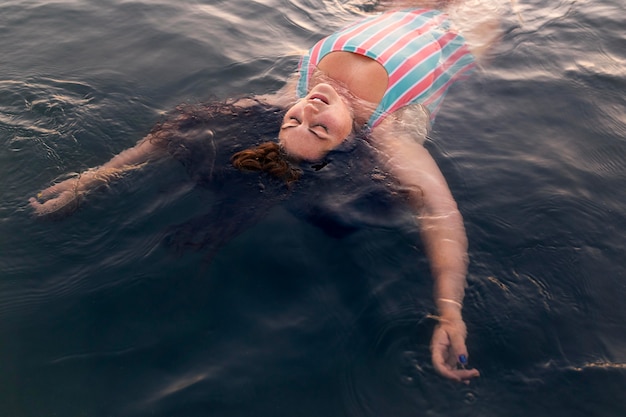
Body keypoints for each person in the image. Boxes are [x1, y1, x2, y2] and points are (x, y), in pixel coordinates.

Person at [30, 0, 505, 383]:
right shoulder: (387, 133)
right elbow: (441, 213)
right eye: (319, 129)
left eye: (296, 121)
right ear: (347, 142)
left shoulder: (289, 95)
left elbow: (179, 129)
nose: (309, 110)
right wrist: (449, 311)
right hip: (461, 31)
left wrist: (92, 177)